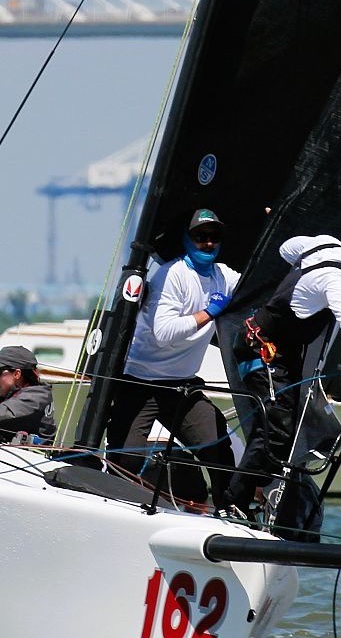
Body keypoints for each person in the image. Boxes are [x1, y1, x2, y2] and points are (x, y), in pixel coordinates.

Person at [223, 237, 341, 519]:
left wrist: (301, 282)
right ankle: (234, 502)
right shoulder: (337, 281)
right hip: (264, 352)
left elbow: (285, 248)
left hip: (275, 352)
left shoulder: (326, 245)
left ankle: (252, 494)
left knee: (284, 429)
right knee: (275, 429)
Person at [105, 208, 240, 509]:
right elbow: (165, 331)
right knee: (125, 456)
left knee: (217, 445)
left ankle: (230, 511)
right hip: (141, 381)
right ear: (187, 239)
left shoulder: (224, 276)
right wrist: (209, 313)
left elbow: (257, 288)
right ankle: (118, 508)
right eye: (200, 237)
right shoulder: (172, 275)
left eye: (214, 237)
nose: (208, 243)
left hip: (180, 385)